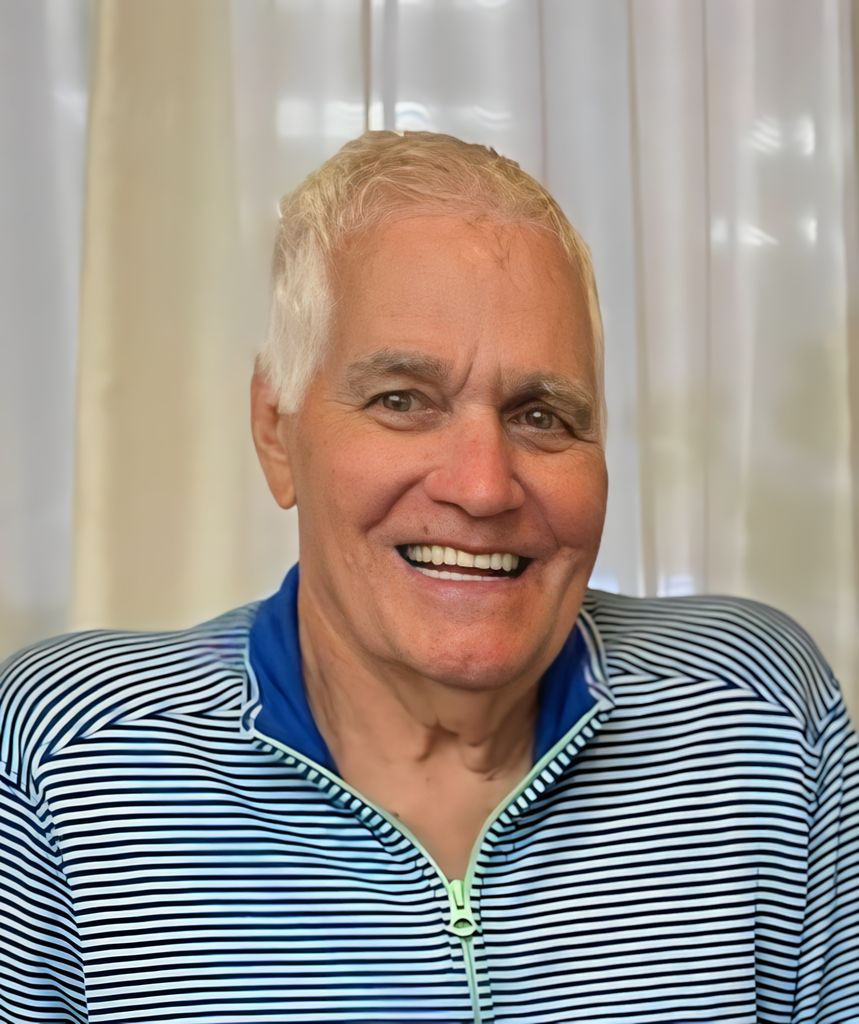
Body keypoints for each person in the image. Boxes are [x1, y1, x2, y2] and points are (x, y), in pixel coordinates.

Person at [1, 131, 856, 1024]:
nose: (483, 488)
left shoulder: (760, 717)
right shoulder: (62, 760)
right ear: (275, 431)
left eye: (541, 415)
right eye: (401, 401)